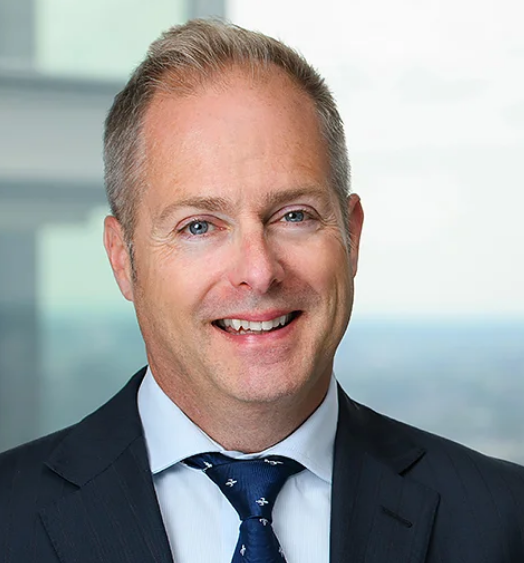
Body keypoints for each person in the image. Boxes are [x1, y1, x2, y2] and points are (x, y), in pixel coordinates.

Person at [1, 18, 524, 563]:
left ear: (352, 237)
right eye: (199, 226)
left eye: (294, 215)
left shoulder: (504, 521)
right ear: (122, 258)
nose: (259, 271)